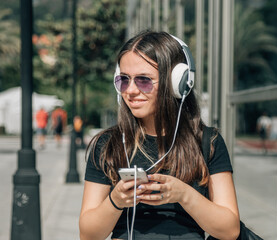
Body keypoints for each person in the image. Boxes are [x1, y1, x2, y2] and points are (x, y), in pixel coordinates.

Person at [79, 31, 240, 240]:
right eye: (124, 80)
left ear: (177, 83)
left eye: (144, 80)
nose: (131, 90)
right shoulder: (108, 145)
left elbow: (230, 230)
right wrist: (115, 200)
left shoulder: (207, 141)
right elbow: (87, 234)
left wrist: (183, 194)